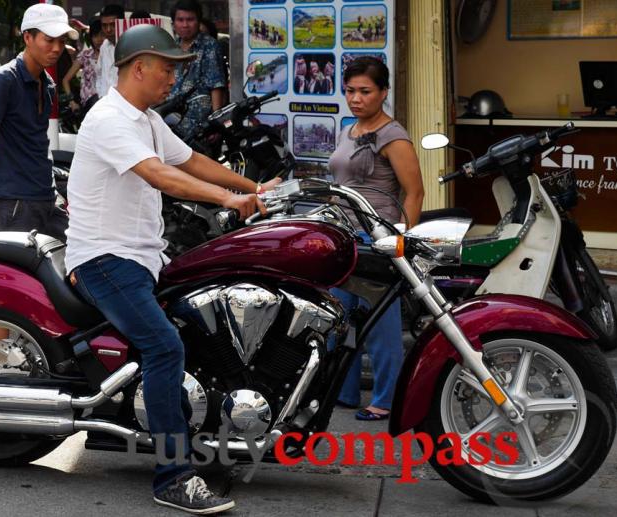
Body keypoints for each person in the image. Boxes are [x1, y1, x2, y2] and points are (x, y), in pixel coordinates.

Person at [65, 24, 280, 514]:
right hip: (104, 258)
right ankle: (173, 476)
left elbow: (193, 161)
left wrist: (257, 188)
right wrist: (230, 199)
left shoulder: (144, 118)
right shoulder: (110, 119)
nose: (173, 78)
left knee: (207, 317)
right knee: (165, 347)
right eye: (167, 68)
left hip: (141, 257)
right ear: (138, 68)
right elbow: (161, 175)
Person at [327, 57, 424, 421]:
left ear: (383, 92)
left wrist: (400, 243)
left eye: (365, 91)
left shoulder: (393, 136)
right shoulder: (348, 129)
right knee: (342, 319)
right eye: (350, 90)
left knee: (380, 327)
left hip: (376, 239)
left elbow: (414, 193)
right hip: (344, 237)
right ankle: (345, 392)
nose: (356, 98)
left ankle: (386, 400)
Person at [0, 3, 77, 239]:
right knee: (17, 274)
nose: (57, 48)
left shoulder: (48, 83)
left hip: (47, 196)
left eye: (61, 41)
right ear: (28, 37)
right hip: (16, 203)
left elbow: (35, 141)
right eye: (49, 40)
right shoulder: (4, 80)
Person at [167, 0, 226, 138]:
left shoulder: (210, 45)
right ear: (173, 23)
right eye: (180, 20)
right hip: (172, 125)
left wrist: (215, 123)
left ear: (198, 22)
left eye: (190, 19)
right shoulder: (170, 47)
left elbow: (217, 86)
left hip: (200, 125)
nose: (185, 25)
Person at [62, 19, 104, 111]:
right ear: (90, 38)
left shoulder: (112, 55)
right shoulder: (85, 56)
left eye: (102, 35)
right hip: (90, 101)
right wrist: (72, 102)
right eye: (95, 36)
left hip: (107, 100)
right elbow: (65, 80)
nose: (99, 39)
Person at [94, 4, 125, 98]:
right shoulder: (104, 45)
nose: (108, 30)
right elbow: (99, 74)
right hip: (105, 102)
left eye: (112, 25)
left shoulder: (131, 44)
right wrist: (100, 95)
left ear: (121, 23)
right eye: (104, 25)